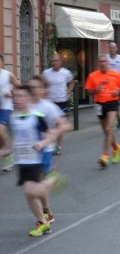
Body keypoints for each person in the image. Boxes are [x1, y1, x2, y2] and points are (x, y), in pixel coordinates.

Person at [0, 85, 66, 237]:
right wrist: (5, 151)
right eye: (16, 97)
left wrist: (43, 143)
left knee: (31, 191)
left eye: (21, 96)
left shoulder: (37, 116)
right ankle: (43, 223)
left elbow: (51, 134)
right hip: (21, 161)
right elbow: (13, 143)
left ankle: (53, 179)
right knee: (29, 195)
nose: (17, 99)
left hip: (36, 159)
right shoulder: (13, 118)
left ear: (29, 99)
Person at [28, 75, 71, 225]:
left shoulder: (48, 107)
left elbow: (65, 125)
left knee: (35, 184)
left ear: (44, 90)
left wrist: (52, 135)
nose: (32, 90)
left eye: (36, 87)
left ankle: (43, 217)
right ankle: (47, 212)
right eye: (30, 87)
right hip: (29, 151)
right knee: (38, 182)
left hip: (45, 149)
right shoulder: (26, 105)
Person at [85, 55, 120, 168]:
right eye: (101, 61)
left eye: (105, 61)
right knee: (106, 131)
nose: (103, 63)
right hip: (99, 104)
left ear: (108, 63)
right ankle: (116, 148)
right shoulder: (93, 76)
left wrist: (118, 92)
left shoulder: (115, 74)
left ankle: (105, 156)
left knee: (108, 128)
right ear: (98, 64)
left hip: (112, 102)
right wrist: (95, 90)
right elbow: (88, 92)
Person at [42, 53, 74, 156]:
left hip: (62, 102)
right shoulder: (46, 73)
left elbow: (72, 82)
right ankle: (49, 145)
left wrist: (68, 92)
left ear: (60, 62)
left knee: (59, 125)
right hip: (50, 103)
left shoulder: (66, 73)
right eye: (53, 61)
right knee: (50, 125)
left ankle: (58, 147)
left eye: (56, 61)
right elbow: (42, 84)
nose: (54, 63)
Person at [0, 54, 21, 171]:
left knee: (0, 128)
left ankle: (8, 148)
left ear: (2, 63)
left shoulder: (8, 75)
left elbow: (19, 86)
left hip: (6, 107)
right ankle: (8, 158)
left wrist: (11, 93)